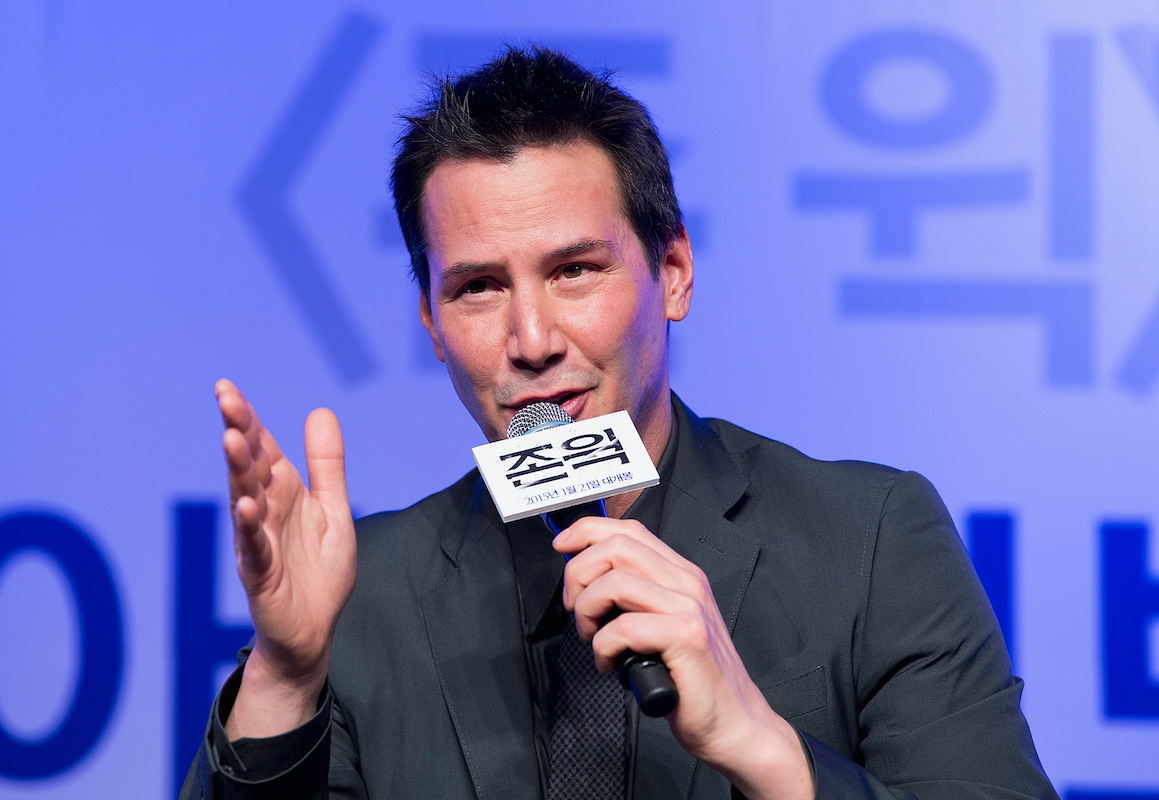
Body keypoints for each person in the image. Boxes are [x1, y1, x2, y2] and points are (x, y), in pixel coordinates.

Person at [181, 47, 1058, 799]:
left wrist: (764, 747)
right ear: (431, 323)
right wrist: (286, 678)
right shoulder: (362, 595)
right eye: (479, 287)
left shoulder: (869, 542)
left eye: (574, 271)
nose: (531, 341)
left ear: (672, 273)